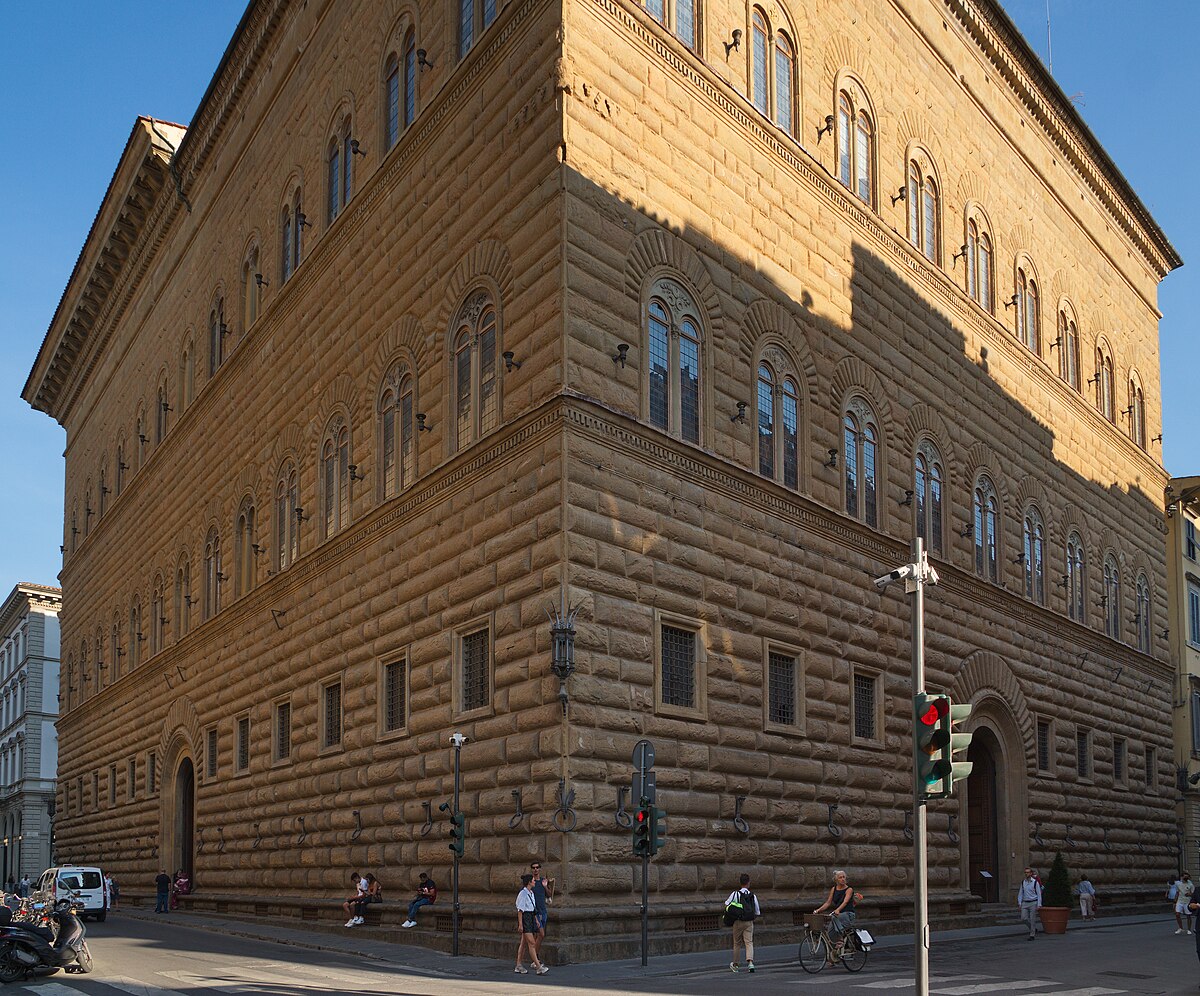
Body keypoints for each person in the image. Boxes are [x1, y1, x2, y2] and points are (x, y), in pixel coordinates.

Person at [813, 869, 857, 959]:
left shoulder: (849, 889)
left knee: (834, 916)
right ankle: (833, 958)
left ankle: (840, 938)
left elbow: (845, 902)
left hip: (848, 915)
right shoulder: (834, 889)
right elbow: (828, 903)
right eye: (840, 877)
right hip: (837, 917)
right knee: (830, 934)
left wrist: (837, 910)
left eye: (844, 877)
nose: (843, 879)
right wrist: (818, 910)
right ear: (836, 880)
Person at [724, 872, 761, 973]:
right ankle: (750, 963)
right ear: (748, 883)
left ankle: (735, 965)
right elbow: (757, 911)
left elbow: (726, 904)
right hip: (749, 922)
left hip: (738, 921)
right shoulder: (753, 896)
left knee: (737, 943)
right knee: (749, 942)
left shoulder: (735, 894)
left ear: (740, 883)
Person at [514, 873, 549, 975]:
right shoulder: (523, 894)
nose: (535, 882)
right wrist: (521, 924)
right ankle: (538, 966)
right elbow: (520, 910)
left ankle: (518, 965)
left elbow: (532, 908)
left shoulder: (531, 893)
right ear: (529, 882)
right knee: (532, 943)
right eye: (533, 880)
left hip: (531, 917)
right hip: (525, 918)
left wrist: (536, 920)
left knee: (524, 943)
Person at [529, 861, 552, 958]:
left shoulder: (543, 881)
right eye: (533, 868)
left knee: (538, 936)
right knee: (541, 934)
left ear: (539, 869)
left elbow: (549, 894)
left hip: (543, 911)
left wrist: (545, 886)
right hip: (535, 912)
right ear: (532, 869)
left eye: (537, 867)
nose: (535, 869)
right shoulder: (531, 882)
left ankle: (535, 957)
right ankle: (536, 957)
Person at [1016, 866, 1042, 940]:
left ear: (1031, 873)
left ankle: (1032, 935)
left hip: (1033, 902)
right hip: (1025, 902)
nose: (1026, 874)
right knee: (1023, 918)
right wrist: (1019, 903)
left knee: (1032, 919)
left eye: (1028, 872)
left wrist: (1039, 904)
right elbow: (1021, 893)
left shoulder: (1035, 882)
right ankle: (1032, 928)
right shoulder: (1023, 882)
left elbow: (1039, 894)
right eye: (1025, 872)